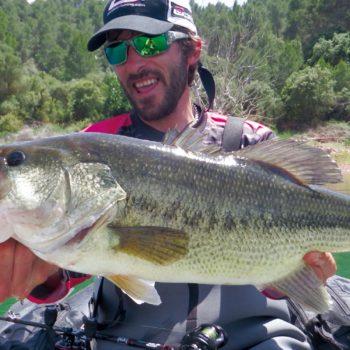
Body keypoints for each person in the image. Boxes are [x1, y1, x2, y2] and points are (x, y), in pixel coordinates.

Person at [0, 0, 337, 349]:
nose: (134, 62)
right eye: (117, 51)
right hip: (127, 340)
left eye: (150, 42)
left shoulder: (250, 141)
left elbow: (277, 280)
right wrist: (41, 276)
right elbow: (71, 263)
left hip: (253, 338)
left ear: (192, 50)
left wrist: (299, 274)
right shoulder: (88, 145)